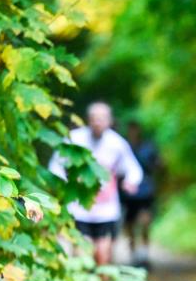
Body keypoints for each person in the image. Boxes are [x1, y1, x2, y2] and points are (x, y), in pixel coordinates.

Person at [49, 102, 142, 266]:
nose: (98, 122)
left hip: (106, 210)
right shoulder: (74, 140)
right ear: (88, 120)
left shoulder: (117, 144)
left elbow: (132, 168)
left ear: (110, 121)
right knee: (83, 255)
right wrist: (64, 183)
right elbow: (55, 165)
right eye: (94, 118)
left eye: (102, 118)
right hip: (79, 208)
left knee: (103, 255)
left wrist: (130, 182)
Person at [121, 122, 159, 269]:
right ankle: (134, 254)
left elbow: (158, 164)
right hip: (129, 194)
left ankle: (143, 254)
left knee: (145, 221)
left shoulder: (148, 147)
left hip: (145, 191)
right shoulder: (123, 147)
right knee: (129, 223)